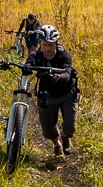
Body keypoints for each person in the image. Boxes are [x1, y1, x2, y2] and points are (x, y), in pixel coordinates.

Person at [24, 24, 77, 158]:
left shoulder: (64, 55)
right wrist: (28, 67)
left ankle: (65, 137)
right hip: (47, 94)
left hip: (66, 93)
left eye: (51, 45)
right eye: (45, 45)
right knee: (47, 129)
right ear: (40, 44)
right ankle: (57, 144)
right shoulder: (37, 55)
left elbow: (67, 72)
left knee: (70, 127)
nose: (48, 49)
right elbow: (29, 63)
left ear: (56, 43)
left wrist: (58, 77)